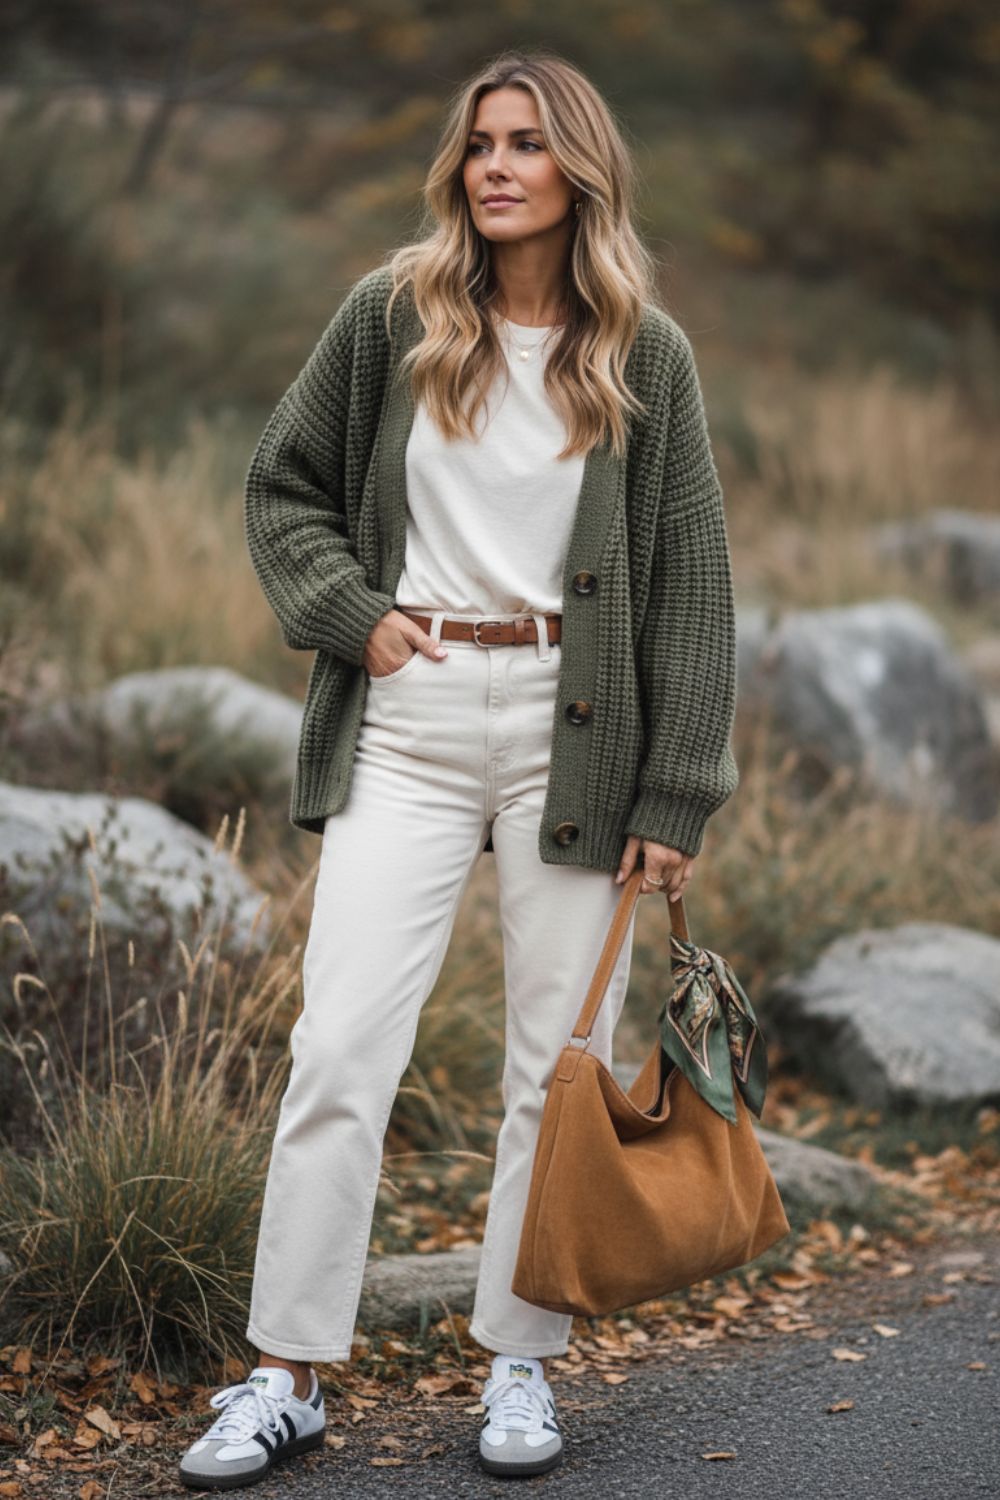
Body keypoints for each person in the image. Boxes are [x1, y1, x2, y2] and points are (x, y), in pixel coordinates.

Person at [179, 46, 739, 1492]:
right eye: (481, 142)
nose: (497, 166)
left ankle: (520, 1365)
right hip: (411, 716)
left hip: (582, 728)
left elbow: (690, 588)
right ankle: (287, 1373)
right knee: (337, 1053)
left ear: (581, 173)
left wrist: (675, 798)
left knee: (548, 1072)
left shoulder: (645, 355)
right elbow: (281, 484)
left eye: (528, 145)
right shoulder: (392, 314)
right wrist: (355, 624)